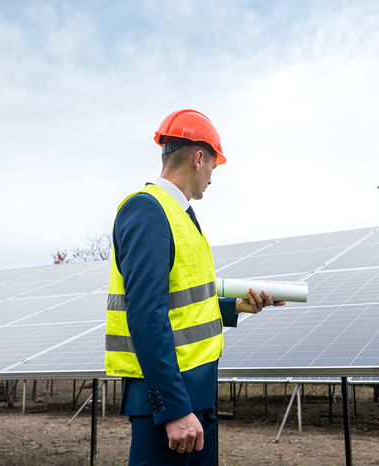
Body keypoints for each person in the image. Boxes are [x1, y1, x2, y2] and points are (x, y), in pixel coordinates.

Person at [104, 109, 285, 465]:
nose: (212, 180)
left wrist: (236, 307)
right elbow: (145, 315)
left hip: (195, 396)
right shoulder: (147, 210)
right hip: (171, 406)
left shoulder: (181, 216)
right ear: (199, 158)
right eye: (213, 169)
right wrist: (172, 409)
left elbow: (182, 305)